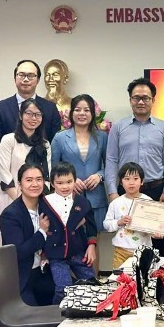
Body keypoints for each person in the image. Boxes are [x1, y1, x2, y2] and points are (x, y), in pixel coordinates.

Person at [105, 78, 164, 256]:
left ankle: (158, 282)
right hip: (125, 190)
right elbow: (111, 159)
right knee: (127, 238)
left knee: (156, 242)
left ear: (153, 100)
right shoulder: (118, 127)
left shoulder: (163, 127)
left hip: (155, 190)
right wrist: (113, 191)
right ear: (130, 100)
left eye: (146, 98)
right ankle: (129, 282)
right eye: (136, 98)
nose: (141, 102)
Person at [0, 99, 52, 258]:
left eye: (37, 115)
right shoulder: (9, 139)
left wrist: (37, 198)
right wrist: (20, 199)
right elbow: (4, 172)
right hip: (8, 197)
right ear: (20, 115)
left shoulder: (45, 144)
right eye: (29, 113)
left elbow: (46, 175)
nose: (33, 118)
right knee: (5, 246)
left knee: (32, 244)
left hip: (34, 200)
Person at [51, 94, 109, 233]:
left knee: (94, 244)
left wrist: (100, 176)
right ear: (71, 113)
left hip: (96, 197)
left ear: (93, 113)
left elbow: (111, 165)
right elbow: (53, 167)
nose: (82, 113)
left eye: (86, 110)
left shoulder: (102, 137)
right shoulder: (60, 137)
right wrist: (70, 181)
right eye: (77, 110)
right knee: (71, 239)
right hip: (69, 197)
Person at [0, 163, 55, 306]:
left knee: (68, 302)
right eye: (29, 180)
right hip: (23, 276)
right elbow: (19, 251)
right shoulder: (10, 215)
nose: (35, 184)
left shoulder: (48, 206)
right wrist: (42, 232)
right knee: (33, 325)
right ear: (20, 184)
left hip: (45, 272)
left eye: (39, 179)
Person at [43, 162, 97, 304]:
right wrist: (43, 253)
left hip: (78, 251)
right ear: (53, 183)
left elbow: (91, 226)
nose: (65, 186)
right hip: (56, 255)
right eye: (60, 183)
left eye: (69, 182)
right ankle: (54, 319)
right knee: (63, 288)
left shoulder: (83, 202)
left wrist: (91, 246)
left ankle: (86, 315)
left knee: (91, 284)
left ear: (75, 181)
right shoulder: (45, 202)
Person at [0, 59, 62, 144]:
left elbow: (55, 141)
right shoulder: (1, 107)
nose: (25, 79)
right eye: (21, 75)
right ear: (15, 78)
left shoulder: (50, 108)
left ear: (38, 80)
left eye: (31, 75)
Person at [104, 162, 158, 267]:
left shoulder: (148, 201)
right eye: (127, 179)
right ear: (121, 182)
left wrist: (156, 234)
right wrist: (118, 222)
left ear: (142, 181)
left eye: (135, 179)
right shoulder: (116, 203)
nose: (131, 182)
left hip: (144, 250)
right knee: (121, 280)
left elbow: (153, 226)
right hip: (121, 251)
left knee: (142, 280)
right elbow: (106, 224)